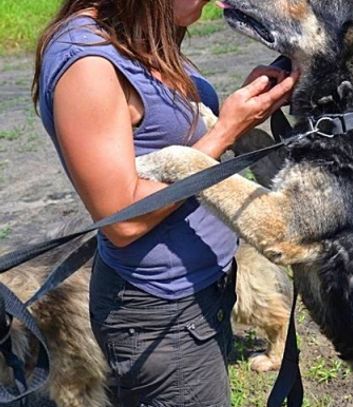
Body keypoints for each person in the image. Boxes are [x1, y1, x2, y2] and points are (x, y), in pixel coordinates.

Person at [32, 0, 297, 405]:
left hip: (199, 293)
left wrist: (241, 110)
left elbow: (168, 133)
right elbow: (123, 221)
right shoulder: (87, 66)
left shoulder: (136, 31)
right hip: (163, 313)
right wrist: (226, 130)